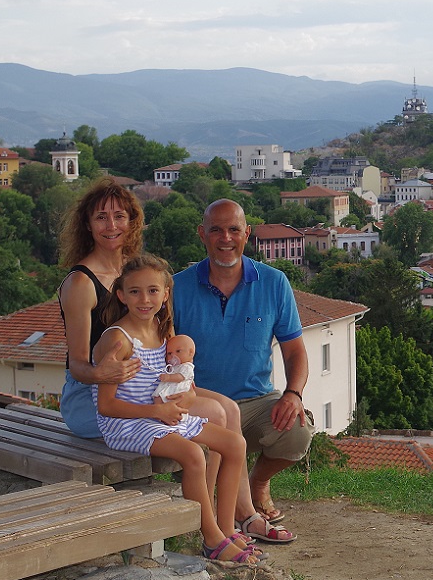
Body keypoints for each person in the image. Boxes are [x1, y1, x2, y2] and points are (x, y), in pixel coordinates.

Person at [58, 178, 294, 543]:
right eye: (101, 217)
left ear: (132, 221)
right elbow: (77, 365)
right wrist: (103, 372)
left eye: (119, 216)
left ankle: (234, 515)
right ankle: (209, 525)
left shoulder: (137, 272)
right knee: (215, 415)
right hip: (95, 395)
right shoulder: (81, 283)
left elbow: (161, 336)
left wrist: (183, 374)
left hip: (145, 385)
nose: (111, 225)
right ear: (87, 224)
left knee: (229, 409)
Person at [92, 255, 257, 565]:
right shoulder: (117, 340)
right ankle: (212, 539)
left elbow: (177, 377)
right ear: (121, 295)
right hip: (129, 423)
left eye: (153, 291)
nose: (145, 300)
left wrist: (185, 397)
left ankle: (225, 528)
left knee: (235, 443)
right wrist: (156, 413)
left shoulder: (162, 328)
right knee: (194, 455)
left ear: (166, 293)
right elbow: (106, 406)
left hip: (162, 415)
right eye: (135, 292)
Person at [173, 199, 314, 530]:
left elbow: (295, 351)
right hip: (199, 405)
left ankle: (258, 483)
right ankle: (227, 518)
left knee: (297, 432)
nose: (226, 238)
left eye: (234, 229)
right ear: (202, 234)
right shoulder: (176, 288)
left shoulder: (274, 282)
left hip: (255, 402)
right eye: (216, 230)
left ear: (247, 233)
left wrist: (293, 394)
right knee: (207, 441)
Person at [154, 334, 196, 402]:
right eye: (169, 353)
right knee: (158, 398)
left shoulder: (187, 367)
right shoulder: (174, 366)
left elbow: (181, 377)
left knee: (164, 399)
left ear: (190, 353)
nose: (173, 355)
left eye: (178, 351)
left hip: (178, 389)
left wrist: (169, 377)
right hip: (169, 386)